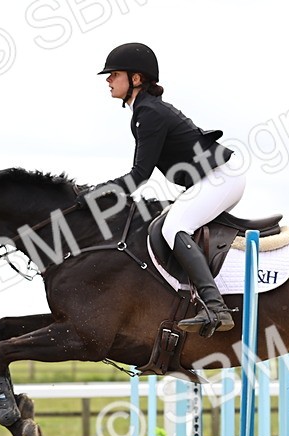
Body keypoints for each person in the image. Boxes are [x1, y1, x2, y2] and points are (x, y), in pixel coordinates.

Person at [89, 42, 245, 336]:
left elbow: (139, 176)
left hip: (221, 177)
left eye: (114, 74)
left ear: (136, 79)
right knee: (163, 223)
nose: (108, 80)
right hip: (210, 179)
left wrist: (97, 195)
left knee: (174, 227)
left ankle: (215, 306)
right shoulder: (143, 111)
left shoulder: (149, 113)